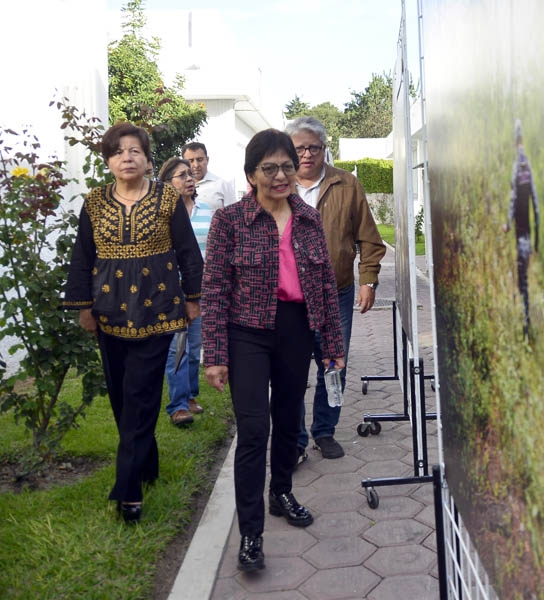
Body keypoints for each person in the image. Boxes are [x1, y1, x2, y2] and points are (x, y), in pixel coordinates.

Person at [202, 129, 344, 571]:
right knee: (253, 428)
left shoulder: (307, 217)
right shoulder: (230, 222)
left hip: (294, 328)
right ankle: (250, 534)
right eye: (270, 168)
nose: (281, 175)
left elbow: (322, 283)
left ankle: (281, 491)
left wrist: (332, 346)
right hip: (246, 332)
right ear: (251, 175)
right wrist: (216, 354)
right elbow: (214, 290)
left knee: (288, 419)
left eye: (287, 166)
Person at [62, 122, 203, 523]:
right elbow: (82, 257)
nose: (127, 157)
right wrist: (84, 307)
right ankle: (148, 464)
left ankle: (128, 491)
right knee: (123, 399)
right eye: (118, 151)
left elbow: (187, 250)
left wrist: (193, 298)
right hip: (109, 314)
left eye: (135, 150)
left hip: (157, 310)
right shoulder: (93, 203)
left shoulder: (166, 199)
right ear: (108, 160)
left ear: (146, 158)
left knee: (140, 396)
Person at [285, 116, 385, 462]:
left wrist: (368, 280)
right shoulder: (276, 185)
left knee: (333, 365)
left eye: (315, 147)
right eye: (300, 148)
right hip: (289, 297)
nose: (308, 155)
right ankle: (295, 440)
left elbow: (369, 238)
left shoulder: (346, 184)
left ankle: (324, 432)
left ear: (325, 149)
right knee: (291, 368)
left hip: (336, 293)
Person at [158, 157, 212, 425]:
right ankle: (178, 405)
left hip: (199, 290)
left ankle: (190, 395)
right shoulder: (160, 214)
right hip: (169, 290)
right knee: (176, 347)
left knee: (193, 346)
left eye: (191, 174)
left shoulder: (207, 212)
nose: (190, 178)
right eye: (182, 175)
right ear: (168, 182)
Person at [502, 119, 540, 335]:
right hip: (529, 235)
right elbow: (537, 207)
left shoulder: (517, 167)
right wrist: (538, 243)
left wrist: (507, 224)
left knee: (522, 280)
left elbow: (513, 200)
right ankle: (527, 321)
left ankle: (526, 325)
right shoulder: (528, 168)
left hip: (520, 236)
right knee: (525, 279)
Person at [182, 142, 237, 211]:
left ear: (207, 160)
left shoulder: (222, 185)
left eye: (200, 160)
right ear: (183, 163)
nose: (196, 165)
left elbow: (235, 216)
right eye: (191, 161)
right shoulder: (178, 188)